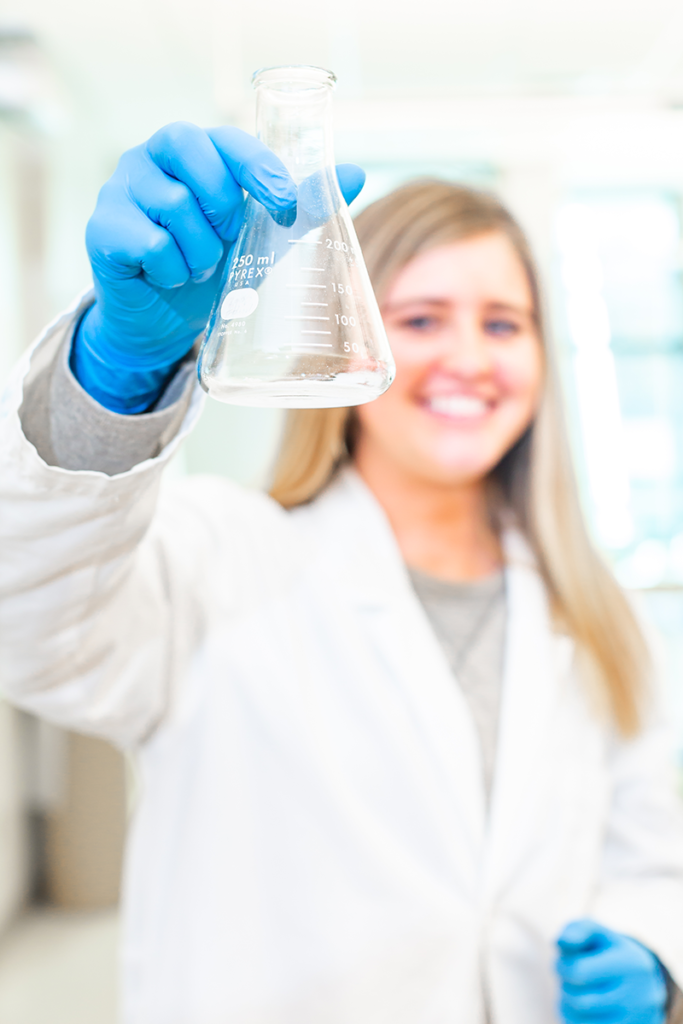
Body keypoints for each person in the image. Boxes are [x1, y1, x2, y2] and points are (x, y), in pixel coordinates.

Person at [1, 122, 682, 1024]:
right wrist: (119, 374)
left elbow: (651, 844)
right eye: (422, 319)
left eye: (503, 323)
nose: (470, 359)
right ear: (347, 340)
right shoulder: (220, 557)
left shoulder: (600, 610)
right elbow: (33, 628)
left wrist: (652, 944)